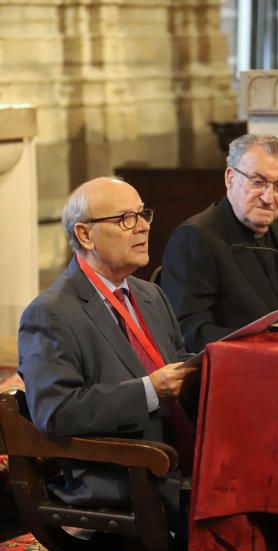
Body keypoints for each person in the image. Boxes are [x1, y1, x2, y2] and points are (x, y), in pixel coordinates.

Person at [18, 176, 197, 510]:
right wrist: (148, 391)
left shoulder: (150, 294)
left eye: (143, 215)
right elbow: (55, 412)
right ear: (85, 235)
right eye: (125, 219)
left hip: (181, 456)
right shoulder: (50, 312)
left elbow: (177, 361)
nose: (142, 227)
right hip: (122, 475)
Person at [160, 133, 278, 353]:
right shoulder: (196, 237)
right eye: (258, 182)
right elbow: (190, 331)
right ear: (230, 178)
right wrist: (270, 344)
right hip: (249, 368)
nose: (269, 198)